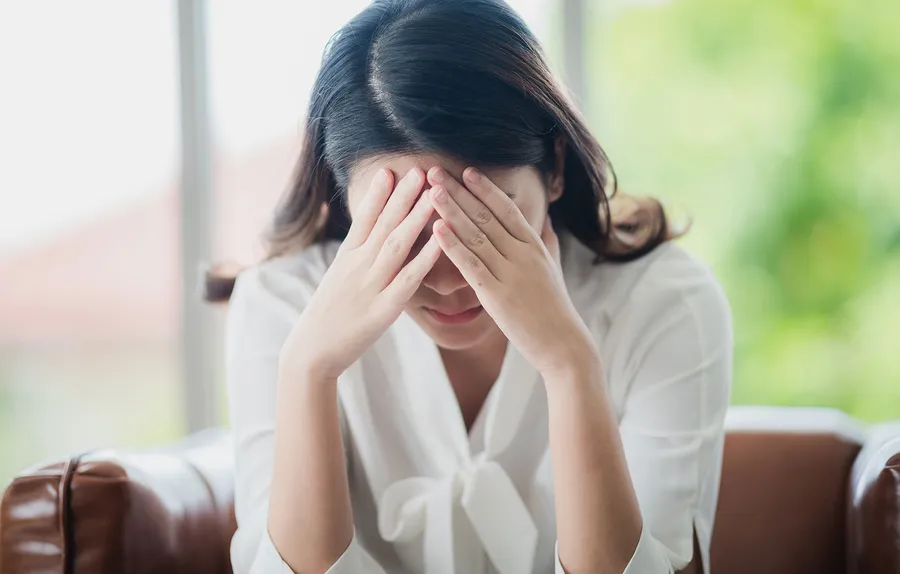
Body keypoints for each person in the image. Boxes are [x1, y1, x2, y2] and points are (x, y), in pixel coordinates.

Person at [220, 1, 732, 573]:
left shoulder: (664, 303)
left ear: (555, 169)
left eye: (484, 223)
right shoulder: (280, 303)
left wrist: (570, 365)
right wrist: (308, 370)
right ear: (346, 203)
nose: (446, 280)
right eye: (403, 228)